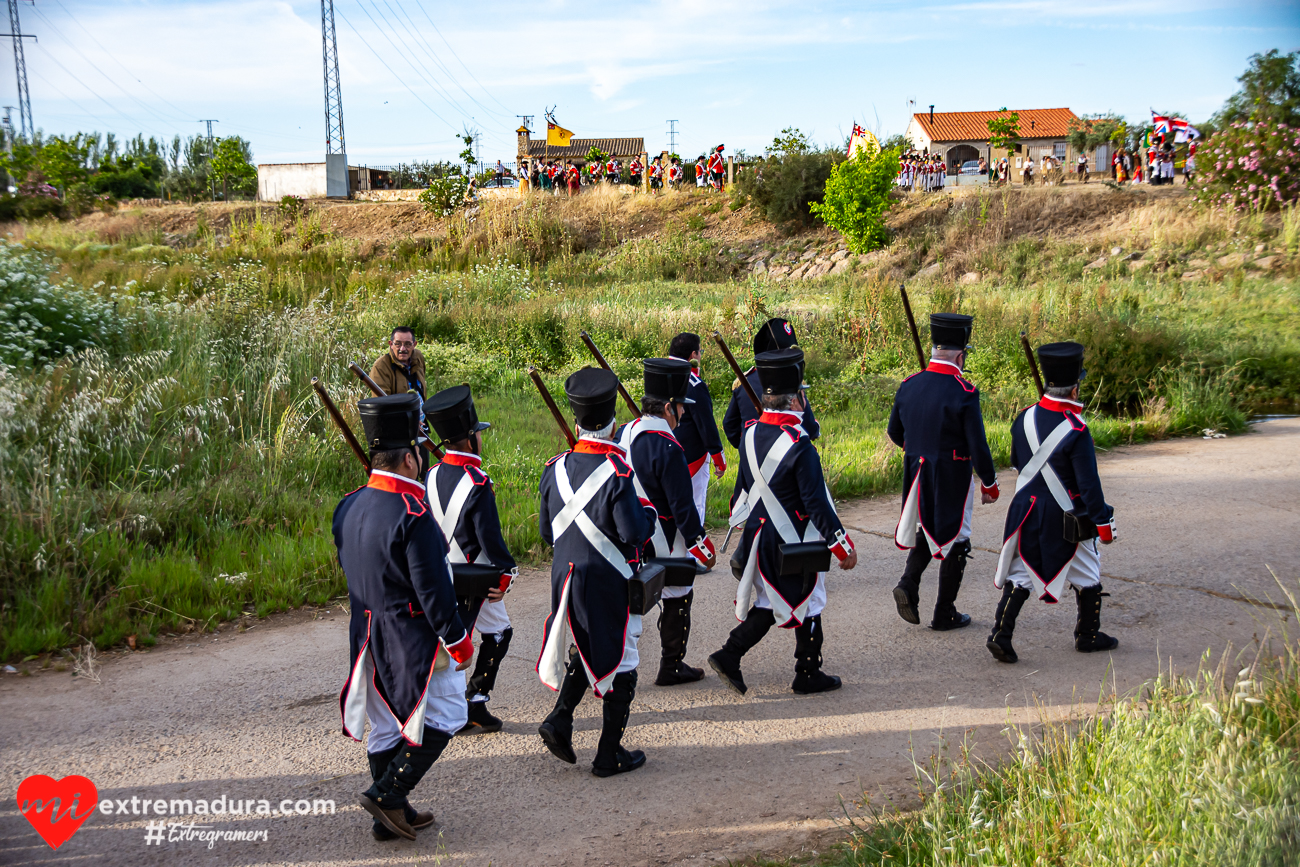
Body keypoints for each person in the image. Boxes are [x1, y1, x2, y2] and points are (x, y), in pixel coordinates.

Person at [335, 393, 475, 841]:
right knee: (450, 715)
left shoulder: (348, 504)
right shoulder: (414, 515)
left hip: (366, 634)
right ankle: (387, 794)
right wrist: (458, 641)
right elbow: (433, 592)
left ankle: (387, 820)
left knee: (383, 724)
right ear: (412, 459)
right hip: (412, 637)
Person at [707, 347, 857, 696]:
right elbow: (817, 504)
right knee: (812, 599)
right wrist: (842, 546)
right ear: (795, 401)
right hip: (792, 539)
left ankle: (737, 655)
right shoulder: (800, 445)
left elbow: (742, 490)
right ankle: (804, 672)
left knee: (769, 602)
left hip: (760, 537)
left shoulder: (748, 434)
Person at [536, 367, 656, 777]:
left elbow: (546, 533)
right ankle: (609, 753)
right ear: (612, 421)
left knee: (585, 649)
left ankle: (560, 719)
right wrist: (650, 515)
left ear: (577, 420)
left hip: (566, 577)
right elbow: (633, 533)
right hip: (608, 580)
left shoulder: (554, 468)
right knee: (624, 656)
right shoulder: (618, 472)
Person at [987, 342, 1118, 664]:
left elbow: (1019, 462)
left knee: (1021, 572)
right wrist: (1103, 523)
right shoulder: (1077, 430)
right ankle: (1087, 635)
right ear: (1074, 389)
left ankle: (1000, 634)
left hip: (1025, 509)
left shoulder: (1024, 418)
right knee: (1088, 572)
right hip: (1066, 514)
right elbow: (1089, 486)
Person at [887, 313, 999, 631]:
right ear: (961, 355)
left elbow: (896, 432)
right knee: (957, 537)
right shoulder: (964, 391)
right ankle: (944, 612)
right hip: (952, 474)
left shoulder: (910, 384)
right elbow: (978, 445)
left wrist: (919, 449)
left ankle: (908, 583)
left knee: (929, 528)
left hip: (916, 473)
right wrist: (989, 481)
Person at [616, 358, 718, 685]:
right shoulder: (670, 446)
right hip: (663, 535)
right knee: (679, 590)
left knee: (620, 598)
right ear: (669, 408)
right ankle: (671, 665)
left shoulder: (623, 432)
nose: (685, 413)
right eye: (681, 407)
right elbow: (682, 505)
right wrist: (699, 544)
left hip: (624, 534)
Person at [422, 385, 517, 736]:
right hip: (472, 576)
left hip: (436, 572)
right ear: (469, 439)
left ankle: (471, 702)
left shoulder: (430, 475)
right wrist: (507, 573)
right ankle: (473, 702)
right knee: (495, 633)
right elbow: (490, 539)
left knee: (490, 632)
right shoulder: (478, 482)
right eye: (478, 433)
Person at [723, 318, 820, 448]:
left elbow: (730, 425)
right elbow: (810, 429)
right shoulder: (792, 382)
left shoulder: (743, 383)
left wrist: (746, 447)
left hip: (752, 460)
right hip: (789, 457)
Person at [668, 333, 726, 533]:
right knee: (695, 504)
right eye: (700, 351)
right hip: (691, 456)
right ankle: (694, 557)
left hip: (658, 453)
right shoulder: (694, 384)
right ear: (693, 353)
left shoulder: (658, 375)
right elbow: (706, 425)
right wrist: (718, 457)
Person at [369, 326, 427, 400]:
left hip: (422, 411)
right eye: (398, 344)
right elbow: (382, 403)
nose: (402, 349)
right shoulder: (380, 367)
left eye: (407, 344)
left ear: (414, 345)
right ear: (391, 344)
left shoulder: (418, 357)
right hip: (399, 412)